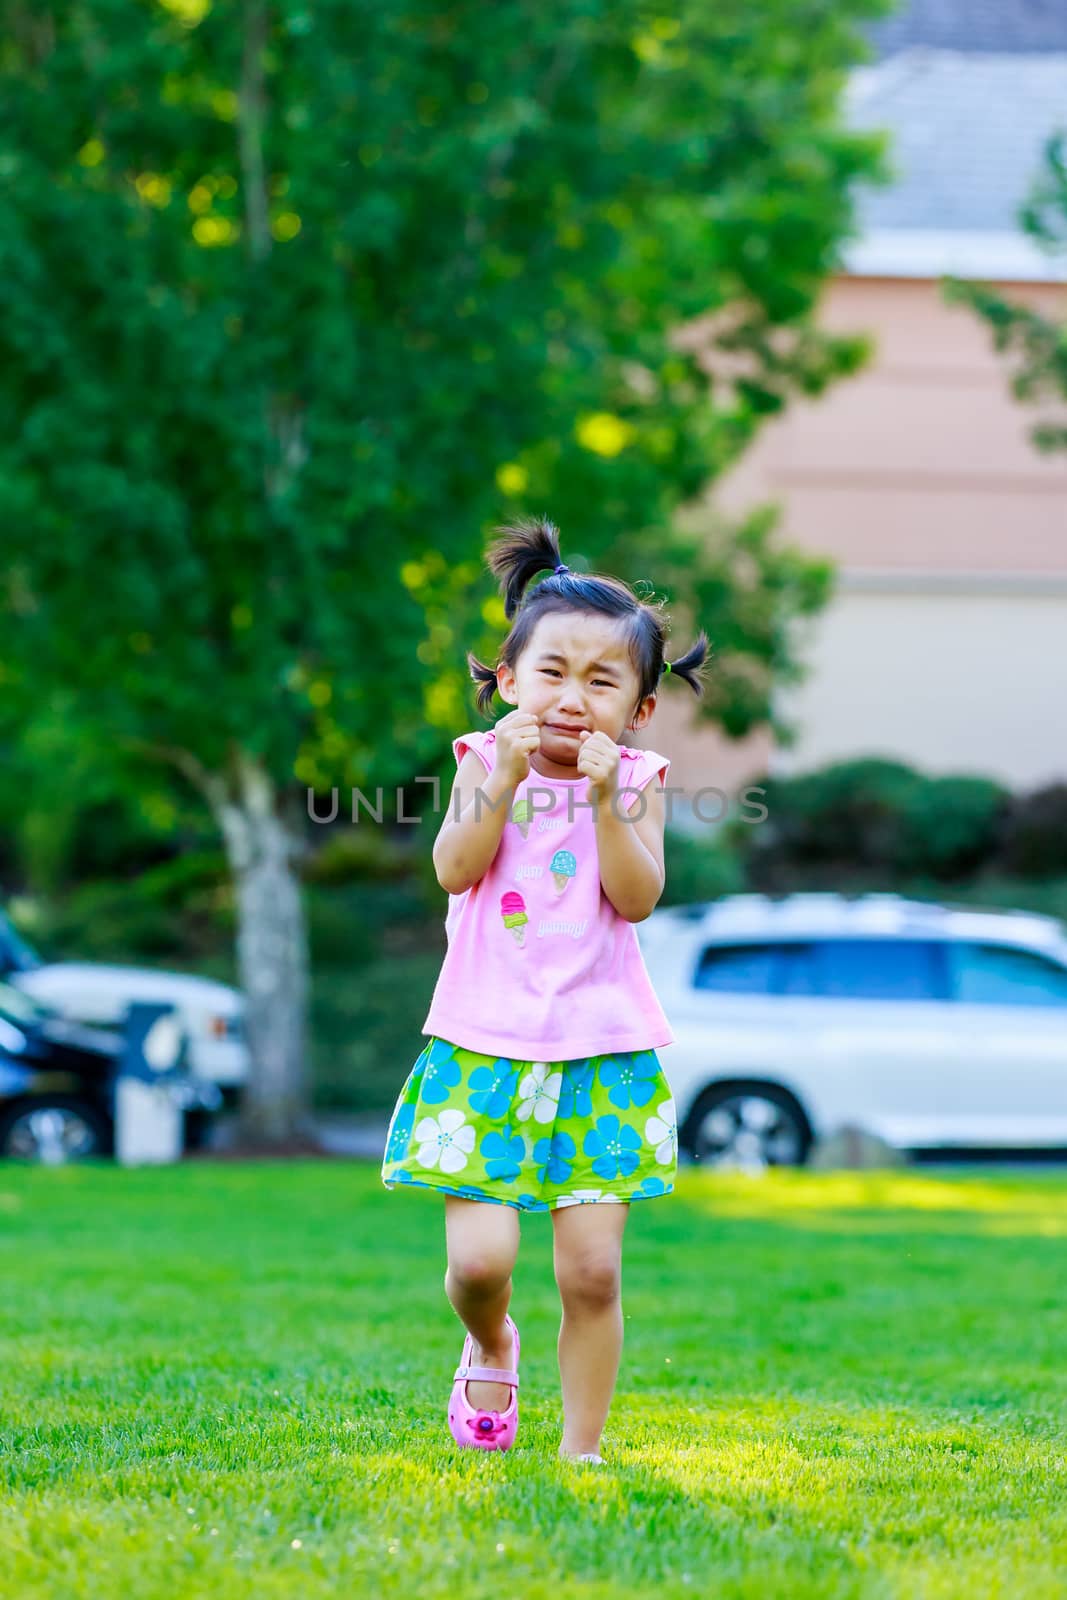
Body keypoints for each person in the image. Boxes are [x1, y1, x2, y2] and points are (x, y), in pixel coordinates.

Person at [381, 515, 709, 1463]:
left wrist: (606, 802)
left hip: (602, 1054)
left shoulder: (637, 778)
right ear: (507, 683)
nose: (573, 697)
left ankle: (582, 1448)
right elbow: (453, 869)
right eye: (552, 673)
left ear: (639, 709)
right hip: (482, 1044)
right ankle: (490, 1339)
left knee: (593, 1274)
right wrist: (509, 776)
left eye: (603, 681)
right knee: (479, 1263)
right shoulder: (485, 762)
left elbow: (637, 897)